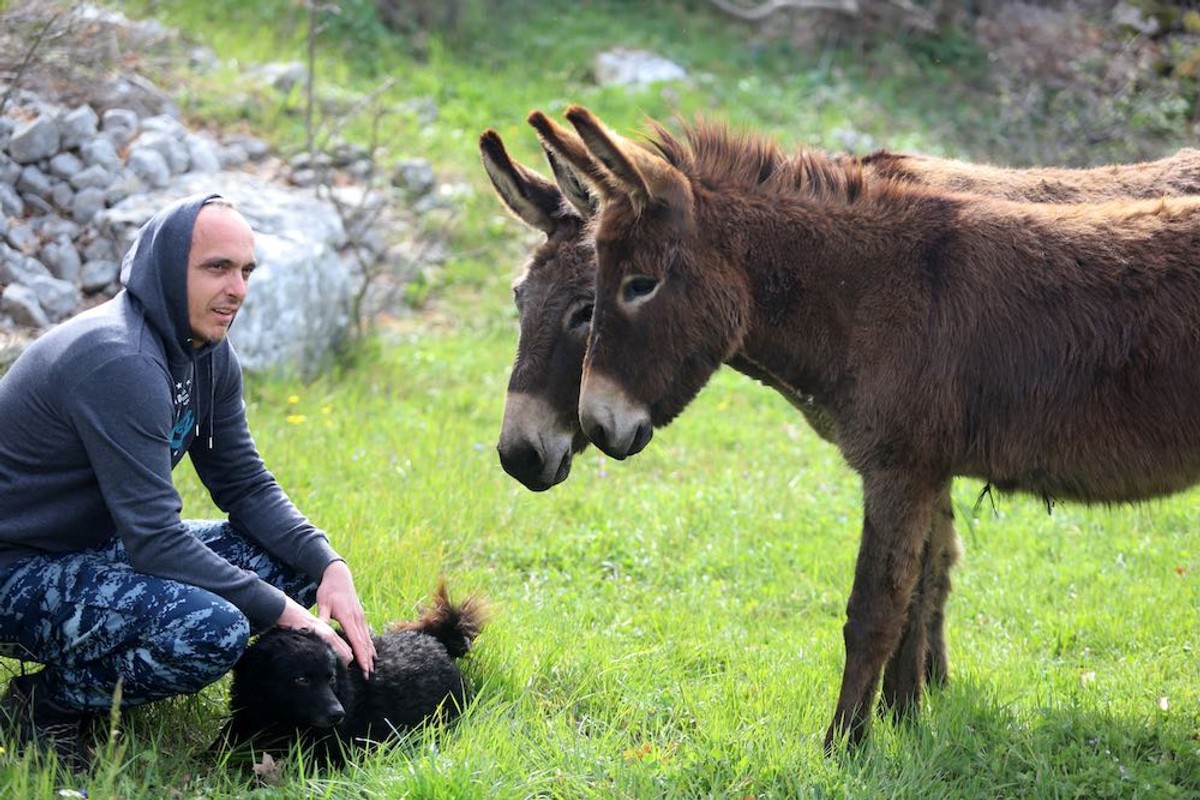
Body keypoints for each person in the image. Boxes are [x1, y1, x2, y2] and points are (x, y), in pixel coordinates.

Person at [0, 193, 377, 770]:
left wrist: (329, 564)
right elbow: (156, 539)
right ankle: (43, 708)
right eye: (216, 268)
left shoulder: (205, 353)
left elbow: (245, 485)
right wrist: (285, 614)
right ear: (167, 270)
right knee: (213, 628)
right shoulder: (118, 358)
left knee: (292, 568)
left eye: (246, 270)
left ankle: (269, 711)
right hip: (15, 567)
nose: (238, 289)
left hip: (90, 547)